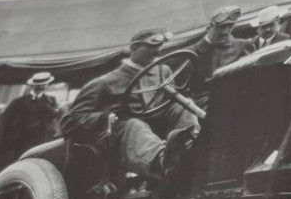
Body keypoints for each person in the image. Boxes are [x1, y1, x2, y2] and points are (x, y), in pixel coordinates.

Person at [60, 29, 197, 182]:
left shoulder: (163, 72)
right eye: (151, 46)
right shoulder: (104, 82)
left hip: (158, 128)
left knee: (182, 106)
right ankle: (162, 162)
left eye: (160, 46)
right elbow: (72, 119)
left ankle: (193, 143)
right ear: (134, 48)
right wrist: (105, 115)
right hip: (123, 135)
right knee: (133, 124)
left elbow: (169, 102)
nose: (158, 50)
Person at [0, 71, 60, 175]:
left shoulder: (51, 101)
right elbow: (5, 120)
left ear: (47, 85)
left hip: (40, 139)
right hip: (20, 139)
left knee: (34, 164)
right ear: (32, 86)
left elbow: (54, 117)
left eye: (43, 85)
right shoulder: (19, 101)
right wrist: (2, 139)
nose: (40, 87)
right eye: (38, 85)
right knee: (15, 162)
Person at [187, 6, 255, 84]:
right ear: (209, 29)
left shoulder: (243, 46)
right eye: (221, 27)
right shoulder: (191, 53)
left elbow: (252, 77)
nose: (225, 31)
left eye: (230, 26)